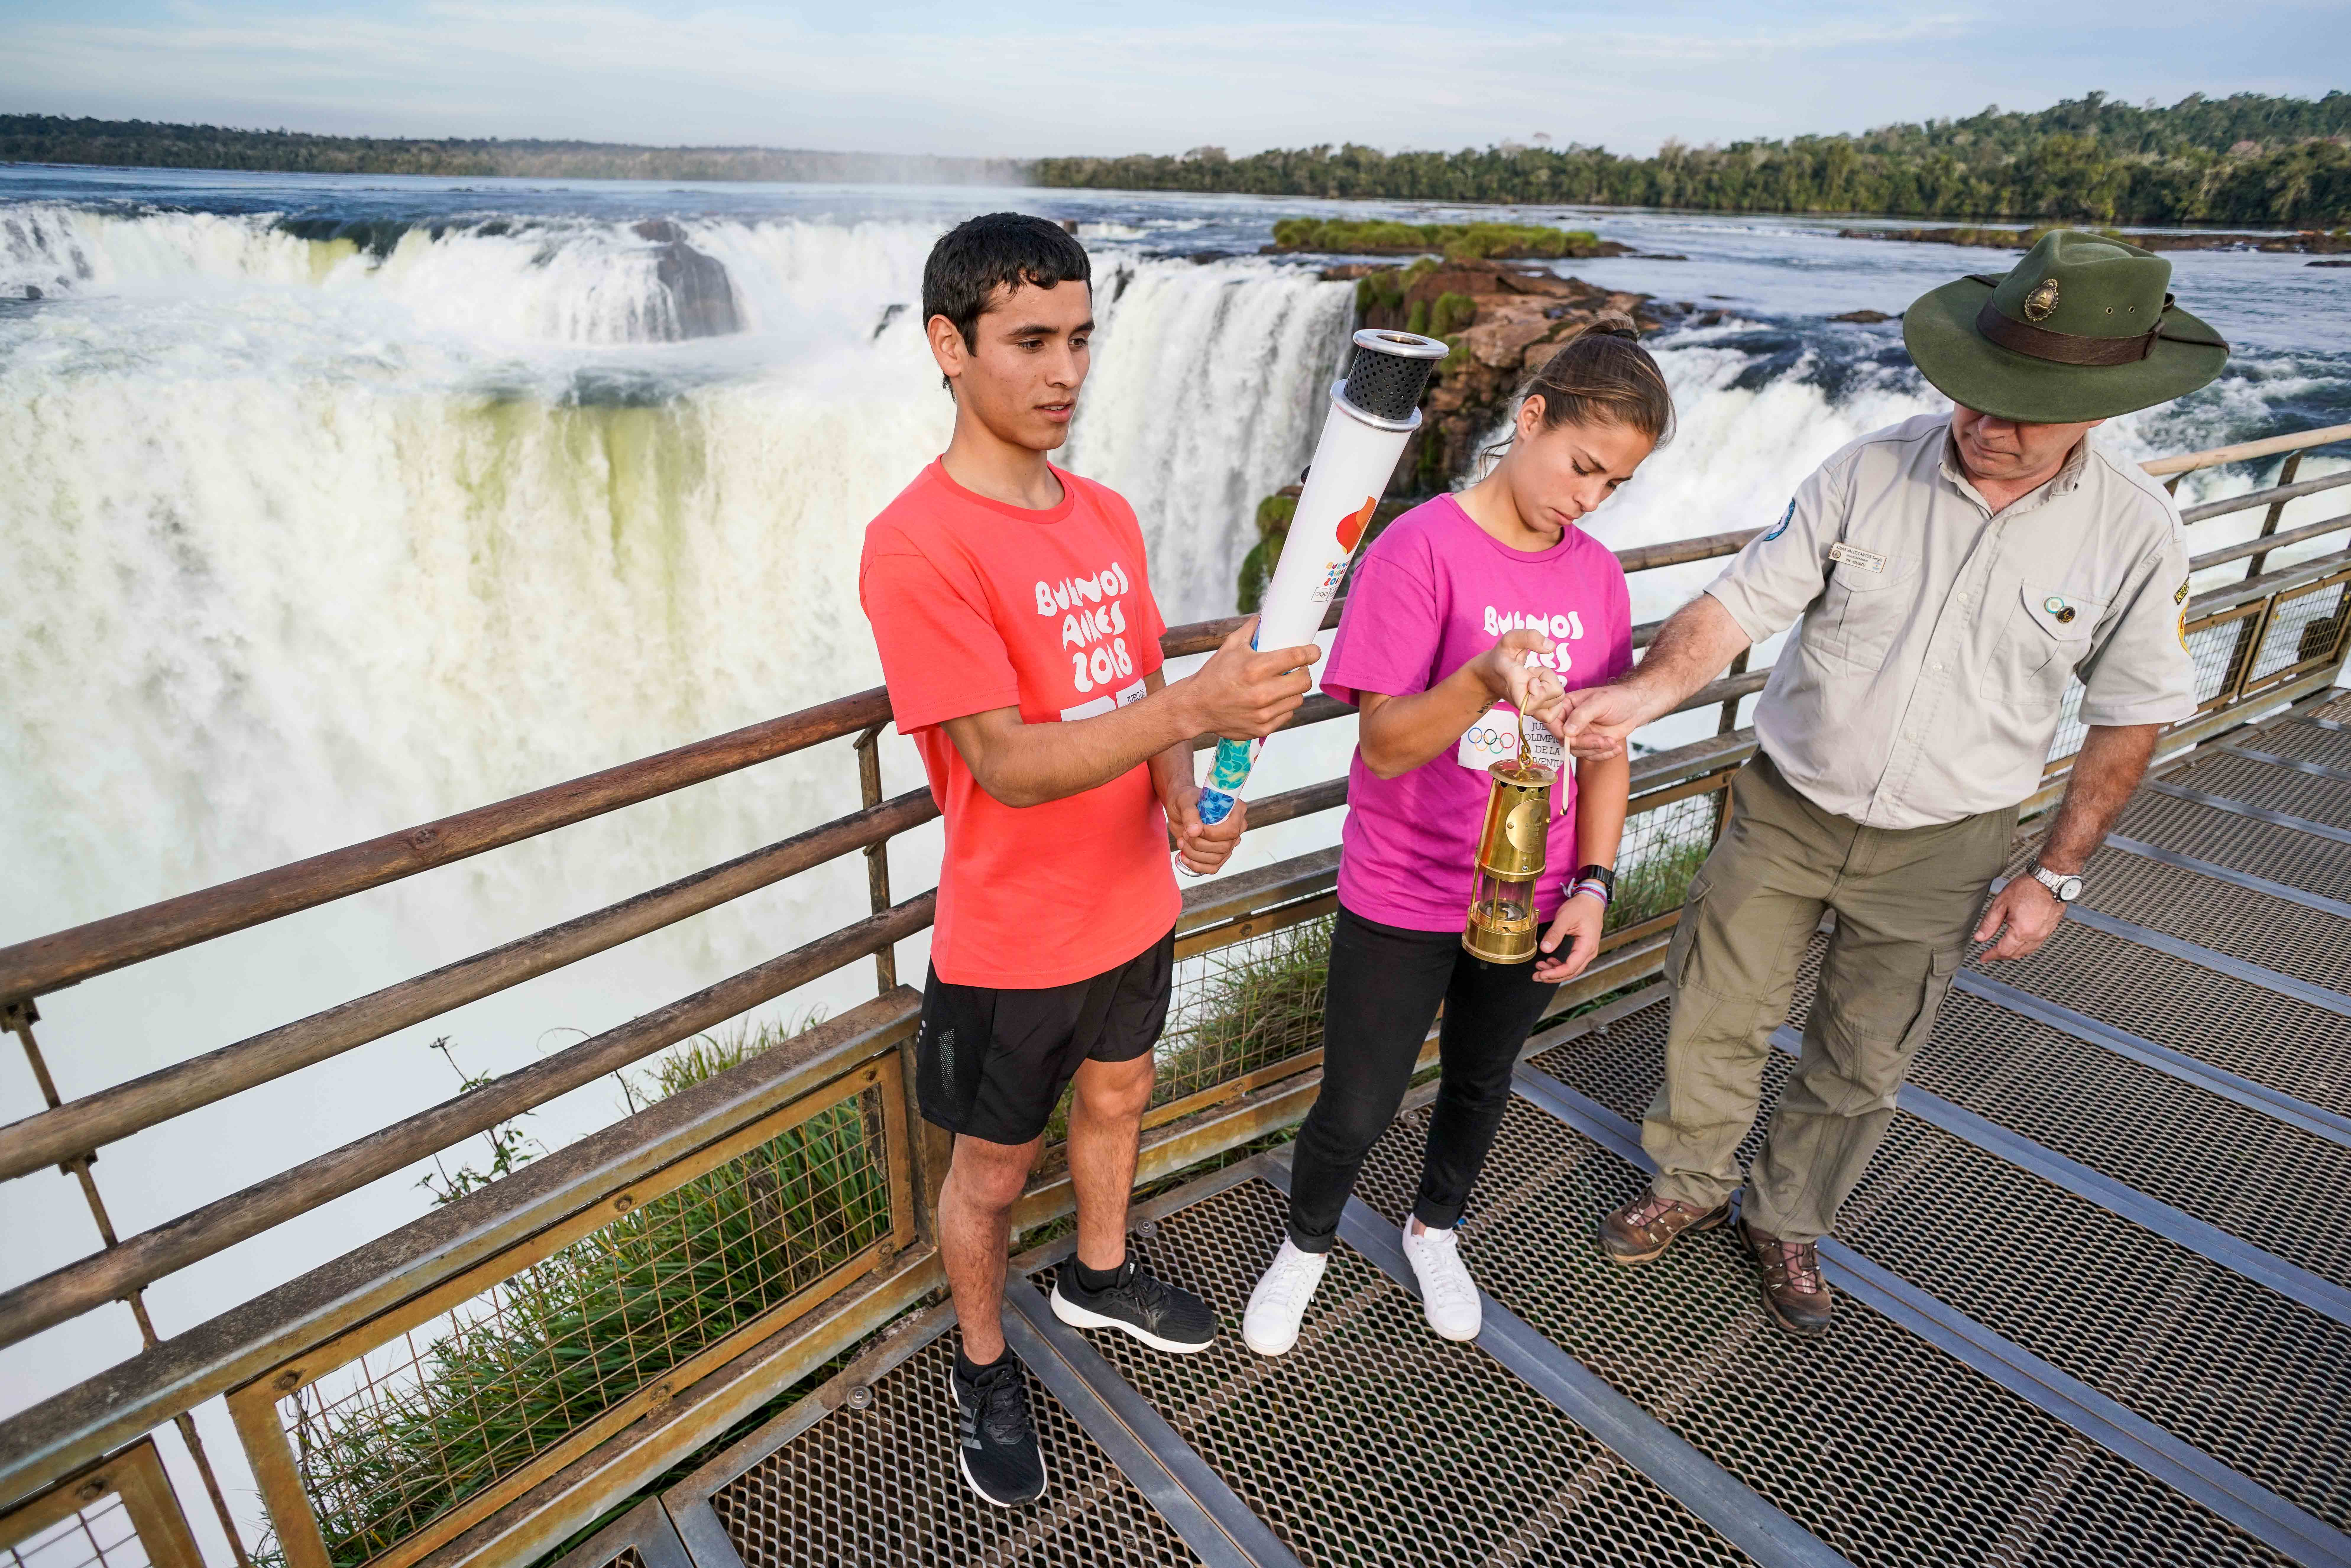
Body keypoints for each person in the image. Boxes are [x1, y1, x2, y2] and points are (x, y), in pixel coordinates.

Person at [1557, 231, 2227, 1338]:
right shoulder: (1865, 470)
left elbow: (2132, 713)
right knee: (1717, 1009)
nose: (1986, 421)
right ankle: (1689, 1182)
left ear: (2100, 410)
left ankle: (1788, 1219)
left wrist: (2056, 876)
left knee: (1866, 1054)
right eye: (1974, 389)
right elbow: (1738, 605)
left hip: (1947, 845)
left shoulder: (2137, 534)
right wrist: (1645, 694)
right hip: (1786, 804)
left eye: (2019, 407)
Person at [858, 213, 1322, 1505]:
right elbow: (1003, 762)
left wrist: (1188, 797)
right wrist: (1192, 717)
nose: (1063, 372)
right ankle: (983, 1358)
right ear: (949, 347)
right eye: (1028, 342)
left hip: (1131, 900)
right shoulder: (918, 542)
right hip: (1011, 936)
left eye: (1078, 339)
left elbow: (1137, 682)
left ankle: (1099, 1275)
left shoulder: (1105, 513)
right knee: (993, 1174)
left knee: (1120, 1099)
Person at [1241, 315, 1673, 1357]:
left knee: (1483, 1080)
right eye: (1582, 466)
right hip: (1405, 886)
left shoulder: (1598, 576)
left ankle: (1437, 1226)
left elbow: (1603, 744)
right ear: (1531, 418)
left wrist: (1596, 883)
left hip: (1533, 891)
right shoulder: (1418, 550)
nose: (1590, 498)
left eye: (1615, 484)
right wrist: (1480, 676)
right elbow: (1385, 746)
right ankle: (1305, 1245)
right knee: (1358, 1100)